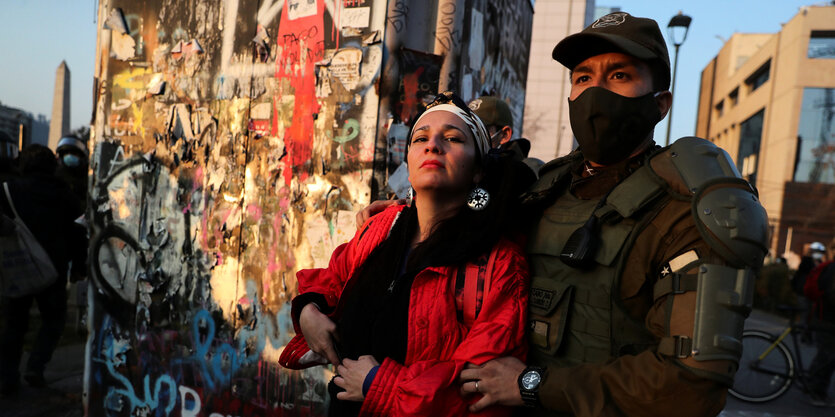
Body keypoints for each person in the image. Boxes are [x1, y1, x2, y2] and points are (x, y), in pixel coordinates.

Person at [358, 12, 768, 416]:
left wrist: (531, 385)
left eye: (620, 76)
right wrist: (407, 212)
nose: (595, 93)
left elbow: (692, 385)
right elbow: (472, 212)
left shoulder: (683, 213)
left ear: (660, 104)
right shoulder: (542, 188)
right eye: (583, 78)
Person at [279, 92, 532, 416]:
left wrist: (377, 385)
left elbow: (481, 388)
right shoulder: (381, 227)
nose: (433, 145)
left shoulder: (500, 265)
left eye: (453, 138)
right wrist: (307, 310)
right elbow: (333, 280)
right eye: (421, 138)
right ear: (409, 161)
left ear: (479, 171)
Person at [0, 145, 85, 397]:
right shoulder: (64, 193)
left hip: (18, 267)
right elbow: (78, 232)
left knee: (14, 324)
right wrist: (78, 267)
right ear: (53, 165)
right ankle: (36, 367)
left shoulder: (8, 191)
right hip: (53, 268)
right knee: (54, 320)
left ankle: (7, 377)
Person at [469, 95, 544, 176]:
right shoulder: (465, 167)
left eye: (480, 130)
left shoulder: (525, 174)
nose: (471, 136)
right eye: (467, 129)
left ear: (504, 135)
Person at [802, 238, 835, 406]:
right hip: (828, 319)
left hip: (824, 317)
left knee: (827, 356)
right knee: (827, 357)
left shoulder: (829, 266)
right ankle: (816, 392)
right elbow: (832, 296)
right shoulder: (833, 268)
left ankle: (815, 388)